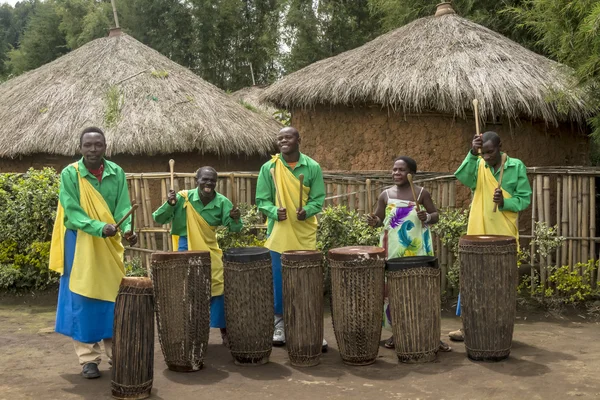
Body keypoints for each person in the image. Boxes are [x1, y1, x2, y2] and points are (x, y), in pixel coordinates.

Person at [49, 127, 138, 379]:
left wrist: (128, 230)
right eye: (88, 145)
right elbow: (73, 212)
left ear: (105, 147)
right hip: (80, 241)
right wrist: (100, 227)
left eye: (98, 144)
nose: (93, 150)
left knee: (112, 297)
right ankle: (88, 358)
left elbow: (122, 207)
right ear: (80, 148)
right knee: (83, 297)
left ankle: (115, 354)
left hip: (109, 241)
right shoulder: (70, 174)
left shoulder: (116, 172)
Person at [448, 131, 532, 341]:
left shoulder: (516, 166)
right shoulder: (478, 164)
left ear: (500, 146)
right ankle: (468, 328)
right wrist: (471, 152)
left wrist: (505, 202)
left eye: (490, 152)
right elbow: (463, 177)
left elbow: (524, 199)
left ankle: (499, 329)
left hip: (503, 233)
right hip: (478, 230)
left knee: (500, 282)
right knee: (472, 279)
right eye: (482, 152)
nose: (486, 156)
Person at [367, 156, 451, 352]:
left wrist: (427, 216)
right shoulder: (385, 195)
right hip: (393, 250)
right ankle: (398, 332)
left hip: (418, 250)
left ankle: (429, 333)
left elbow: (435, 216)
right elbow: (379, 219)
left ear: (411, 173)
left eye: (401, 170)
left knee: (420, 291)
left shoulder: (421, 193)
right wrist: (373, 221)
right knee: (395, 292)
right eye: (394, 169)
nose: (396, 173)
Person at [255, 126, 328, 351]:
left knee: (306, 280)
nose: (283, 141)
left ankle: (309, 325)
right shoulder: (269, 168)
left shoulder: (312, 167)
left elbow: (318, 199)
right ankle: (280, 324)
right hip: (279, 233)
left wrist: (307, 209)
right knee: (278, 280)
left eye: (288, 137)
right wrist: (273, 211)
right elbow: (261, 200)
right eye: (280, 138)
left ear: (299, 139)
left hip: (304, 233)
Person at [152, 166, 241, 347]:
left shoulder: (222, 202)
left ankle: (224, 330)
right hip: (185, 246)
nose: (208, 183)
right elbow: (158, 219)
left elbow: (235, 229)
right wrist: (169, 204)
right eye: (205, 179)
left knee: (218, 283)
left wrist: (235, 218)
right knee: (187, 287)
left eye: (212, 180)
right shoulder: (182, 198)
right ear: (197, 180)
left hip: (209, 246)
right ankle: (189, 331)